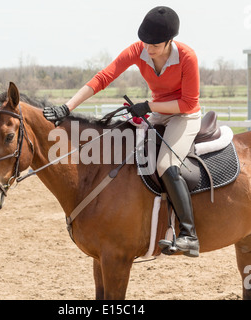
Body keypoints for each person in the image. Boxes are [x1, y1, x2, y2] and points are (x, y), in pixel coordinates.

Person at [43, 6, 201, 257]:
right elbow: (104, 77)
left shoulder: (187, 57)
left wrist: (148, 105)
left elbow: (188, 103)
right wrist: (67, 106)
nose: (148, 49)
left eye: (156, 46)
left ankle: (189, 235)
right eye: (145, 43)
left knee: (165, 164)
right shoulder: (139, 50)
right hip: (158, 112)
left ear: (171, 41)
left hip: (184, 116)